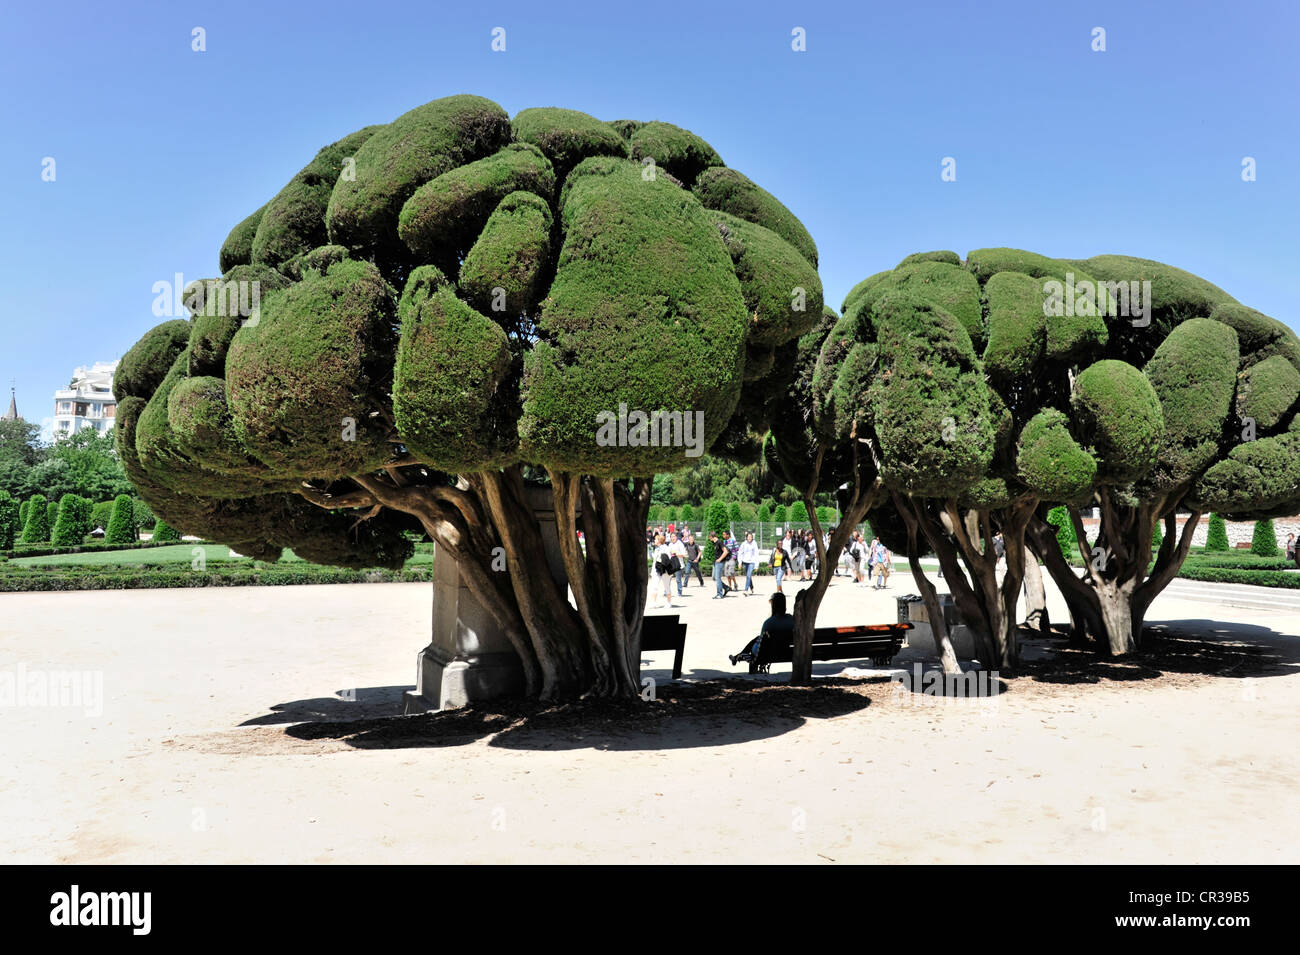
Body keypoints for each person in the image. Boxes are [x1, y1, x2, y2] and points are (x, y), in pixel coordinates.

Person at [728, 591, 796, 668]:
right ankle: (738, 655)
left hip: (767, 653)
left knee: (757, 639)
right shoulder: (791, 619)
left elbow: (761, 642)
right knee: (759, 638)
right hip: (787, 651)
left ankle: (738, 656)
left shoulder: (769, 622)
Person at [650, 534, 674, 609]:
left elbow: (668, 558)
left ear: (659, 540)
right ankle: (654, 603)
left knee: (667, 586)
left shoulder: (666, 548)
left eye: (656, 539)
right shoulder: (656, 548)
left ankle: (669, 602)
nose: (654, 540)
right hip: (656, 570)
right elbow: (654, 560)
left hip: (664, 570)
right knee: (654, 586)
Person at [711, 531, 733, 599]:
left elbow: (726, 551)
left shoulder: (719, 542)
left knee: (718, 578)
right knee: (714, 578)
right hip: (716, 562)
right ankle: (726, 588)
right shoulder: (715, 543)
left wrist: (720, 559)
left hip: (719, 563)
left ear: (712, 537)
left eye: (710, 538)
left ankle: (719, 594)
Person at [669, 532, 689, 597]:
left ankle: (679, 592)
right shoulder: (670, 544)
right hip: (671, 565)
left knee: (678, 580)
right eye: (671, 537)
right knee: (668, 579)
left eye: (674, 536)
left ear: (676, 537)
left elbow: (684, 555)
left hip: (678, 564)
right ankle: (667, 592)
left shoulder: (680, 544)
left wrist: (675, 554)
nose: (673, 538)